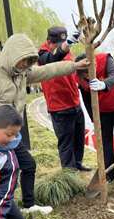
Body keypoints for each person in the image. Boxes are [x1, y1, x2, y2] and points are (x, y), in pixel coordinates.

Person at [0, 34, 90, 214]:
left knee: (28, 165)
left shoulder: (21, 74)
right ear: (12, 56)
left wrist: (74, 66)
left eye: (28, 61)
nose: (25, 64)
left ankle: (28, 205)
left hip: (11, 137)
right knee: (2, 174)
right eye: (23, 60)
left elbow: (49, 70)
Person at [38, 27, 92, 171]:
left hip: (74, 101)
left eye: (66, 43)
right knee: (66, 141)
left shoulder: (68, 53)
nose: (64, 47)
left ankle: (78, 162)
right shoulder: (43, 55)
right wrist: (65, 46)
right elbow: (51, 58)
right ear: (49, 42)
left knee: (79, 137)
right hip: (59, 107)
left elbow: (72, 73)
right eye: (60, 44)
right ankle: (69, 171)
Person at [75, 53, 114, 183]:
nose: (89, 78)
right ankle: (109, 173)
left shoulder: (105, 59)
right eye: (86, 77)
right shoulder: (78, 76)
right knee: (105, 140)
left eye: (91, 75)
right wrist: (94, 120)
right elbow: (86, 99)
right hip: (102, 109)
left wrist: (103, 84)